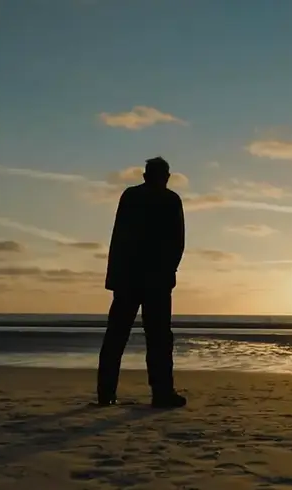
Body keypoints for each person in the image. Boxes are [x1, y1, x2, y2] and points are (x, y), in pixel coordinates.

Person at [97, 156, 187, 408]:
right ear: (165, 176)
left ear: (146, 175)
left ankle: (106, 393)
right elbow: (177, 243)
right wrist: (169, 272)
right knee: (158, 339)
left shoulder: (132, 197)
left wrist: (114, 277)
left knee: (117, 336)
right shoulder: (169, 200)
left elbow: (118, 238)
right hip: (154, 281)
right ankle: (161, 393)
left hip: (128, 278)